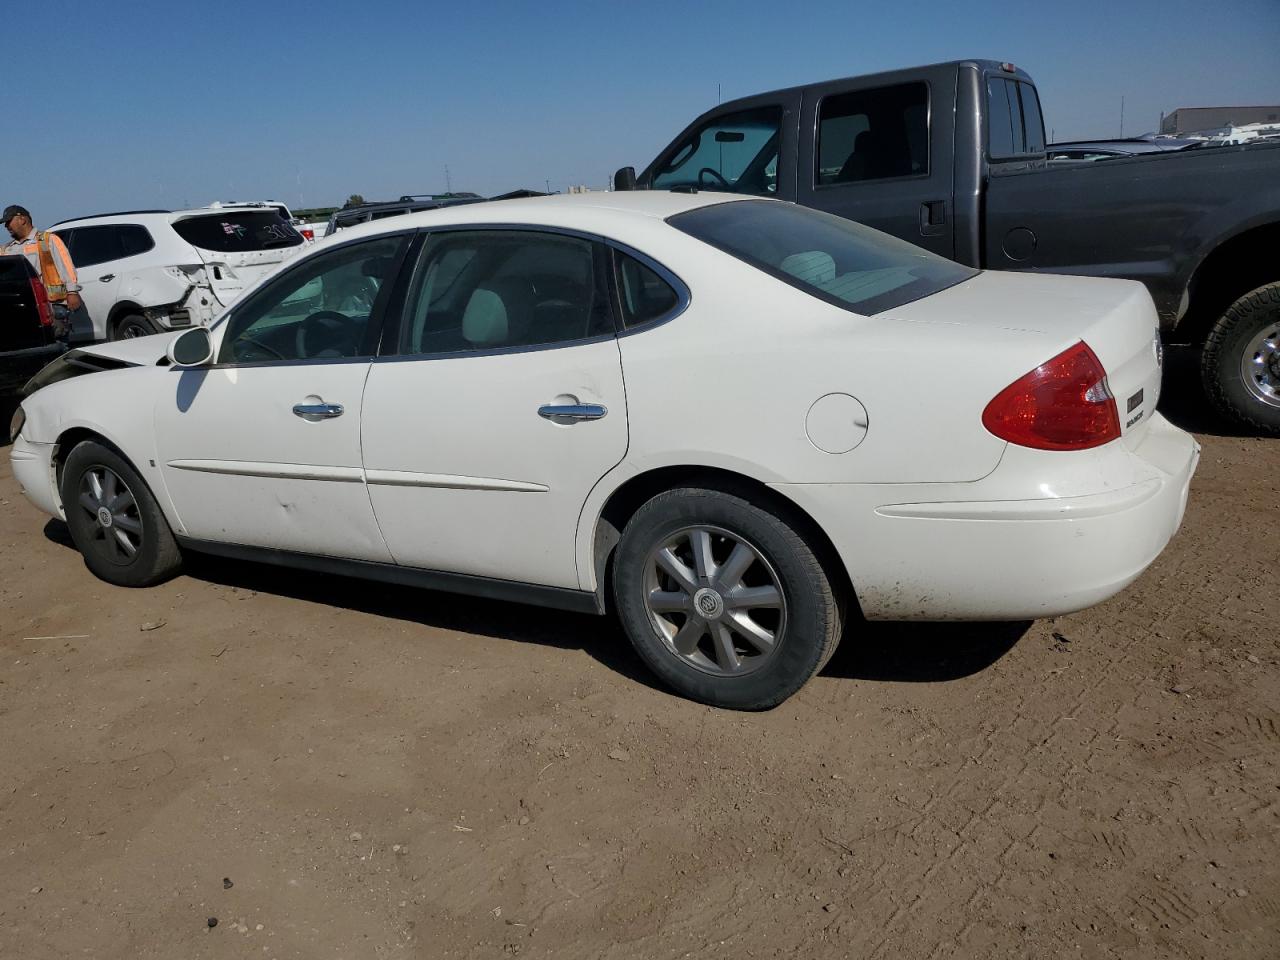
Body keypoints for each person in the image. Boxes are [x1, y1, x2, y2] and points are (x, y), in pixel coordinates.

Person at [2, 204, 87, 343]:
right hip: (24, 305)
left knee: (57, 341)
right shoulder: (6, 249)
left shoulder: (47, 240)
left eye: (8, 221)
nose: (6, 226)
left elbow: (66, 266)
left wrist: (72, 292)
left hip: (52, 304)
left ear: (22, 219)